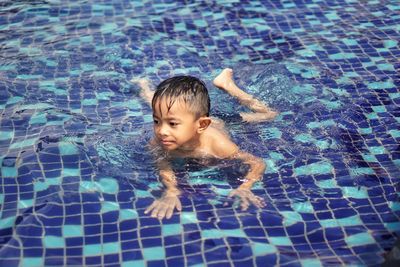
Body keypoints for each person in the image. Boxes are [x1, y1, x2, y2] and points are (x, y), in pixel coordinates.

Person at [133, 68, 278, 219]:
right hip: (192, 117)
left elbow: (257, 163)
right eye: (156, 121)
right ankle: (144, 86)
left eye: (172, 124)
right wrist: (171, 190)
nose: (161, 131)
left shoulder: (218, 146)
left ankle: (228, 85)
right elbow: (164, 166)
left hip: (221, 122)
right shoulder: (160, 141)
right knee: (162, 106)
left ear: (201, 125)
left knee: (269, 115)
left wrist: (245, 187)